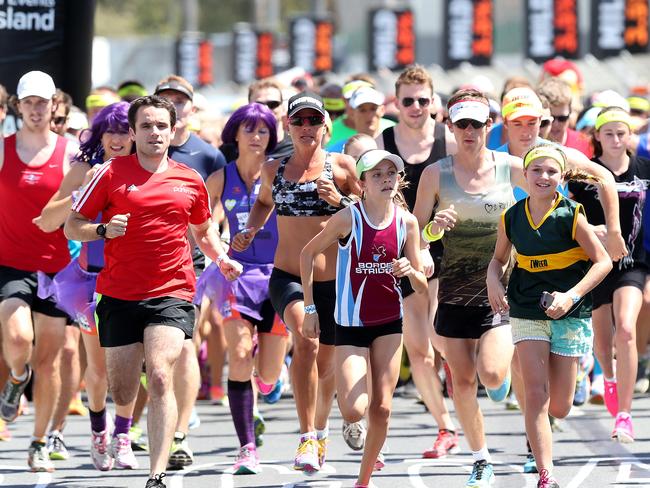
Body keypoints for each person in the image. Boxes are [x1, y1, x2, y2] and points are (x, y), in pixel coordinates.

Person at [414, 88, 625, 488]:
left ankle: (512, 378)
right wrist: (430, 235)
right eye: (462, 124)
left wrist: (609, 230)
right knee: (461, 380)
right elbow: (416, 232)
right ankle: (481, 459)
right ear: (451, 127)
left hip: (507, 291)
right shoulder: (434, 174)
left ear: (488, 126)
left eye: (477, 123)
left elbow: (597, 177)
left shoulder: (514, 165)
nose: (470, 131)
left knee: (492, 375)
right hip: (455, 288)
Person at [64, 95, 241, 488]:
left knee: (160, 375)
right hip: (119, 293)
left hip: (173, 290)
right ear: (133, 131)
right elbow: (72, 224)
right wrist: (101, 230)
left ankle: (156, 475)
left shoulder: (189, 178)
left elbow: (203, 230)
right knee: (121, 387)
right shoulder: (110, 174)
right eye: (146, 126)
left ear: (173, 129)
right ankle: (120, 427)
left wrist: (221, 258)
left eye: (161, 125)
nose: (155, 132)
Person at [232, 91, 360, 473]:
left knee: (326, 362)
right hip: (288, 276)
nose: (306, 128)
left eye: (313, 121)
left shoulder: (341, 166)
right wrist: (250, 229)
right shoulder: (274, 168)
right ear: (288, 125)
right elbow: (263, 203)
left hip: (336, 283)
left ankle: (320, 431)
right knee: (306, 341)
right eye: (299, 121)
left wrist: (339, 200)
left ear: (326, 126)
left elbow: (375, 212)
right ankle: (306, 436)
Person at [486, 143, 612, 488]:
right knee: (537, 396)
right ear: (524, 175)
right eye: (536, 170)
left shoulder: (572, 214)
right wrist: (492, 280)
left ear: (562, 177)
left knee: (560, 407)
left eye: (551, 171)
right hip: (526, 306)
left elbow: (603, 261)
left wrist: (570, 296)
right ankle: (546, 474)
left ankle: (569, 374)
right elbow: (498, 260)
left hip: (569, 312)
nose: (543, 177)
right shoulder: (511, 216)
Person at [300, 149, 427, 488]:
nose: (386, 179)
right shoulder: (348, 218)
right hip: (350, 325)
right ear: (362, 183)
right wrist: (310, 308)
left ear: (398, 179)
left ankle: (363, 480)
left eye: (391, 173)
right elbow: (307, 253)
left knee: (382, 409)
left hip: (389, 323)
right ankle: (346, 422)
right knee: (356, 409)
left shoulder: (407, 222)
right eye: (377, 175)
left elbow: (422, 286)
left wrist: (411, 270)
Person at [35, 102, 140, 470]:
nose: (117, 138)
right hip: (89, 282)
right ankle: (99, 431)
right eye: (109, 131)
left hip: (137, 279)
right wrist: (82, 190)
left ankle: (123, 433)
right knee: (99, 369)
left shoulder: (150, 167)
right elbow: (48, 220)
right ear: (99, 135)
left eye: (124, 130)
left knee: (130, 365)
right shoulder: (83, 169)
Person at [198, 102, 287, 474]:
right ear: (235, 134)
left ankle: (267, 383)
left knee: (266, 375)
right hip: (237, 276)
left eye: (264, 130)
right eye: (249, 130)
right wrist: (220, 254)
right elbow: (199, 225)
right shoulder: (221, 177)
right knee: (238, 354)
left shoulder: (283, 174)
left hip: (281, 277)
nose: (256, 136)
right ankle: (247, 446)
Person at [376, 64, 459, 459]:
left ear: (433, 101)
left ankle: (466, 395)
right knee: (419, 348)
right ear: (396, 102)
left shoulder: (449, 139)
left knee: (443, 339)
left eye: (422, 100)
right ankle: (445, 426)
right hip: (401, 254)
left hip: (446, 250)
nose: (414, 107)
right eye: (407, 100)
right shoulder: (384, 139)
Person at [0, 70, 77, 472]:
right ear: (18, 106)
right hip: (10, 262)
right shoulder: (3, 147)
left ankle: (39, 441)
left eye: (42, 102)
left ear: (54, 105)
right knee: (16, 338)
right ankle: (16, 377)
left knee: (50, 362)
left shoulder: (69, 153)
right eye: (28, 102)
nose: (35, 108)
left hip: (57, 267)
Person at [154, 74, 228, 469]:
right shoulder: (139, 148)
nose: (174, 107)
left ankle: (180, 433)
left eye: (180, 102)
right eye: (165, 101)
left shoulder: (208, 156)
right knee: (148, 355)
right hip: (143, 265)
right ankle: (141, 421)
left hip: (189, 264)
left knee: (184, 347)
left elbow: (216, 208)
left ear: (191, 109)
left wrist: (214, 245)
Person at [569, 107, 650, 443]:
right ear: (597, 137)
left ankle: (625, 415)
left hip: (634, 263)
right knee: (603, 343)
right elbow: (568, 216)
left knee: (627, 330)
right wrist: (595, 229)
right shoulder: (586, 174)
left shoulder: (644, 168)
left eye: (622, 133)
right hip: (597, 265)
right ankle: (610, 379)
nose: (617, 140)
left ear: (630, 135)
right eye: (609, 134)